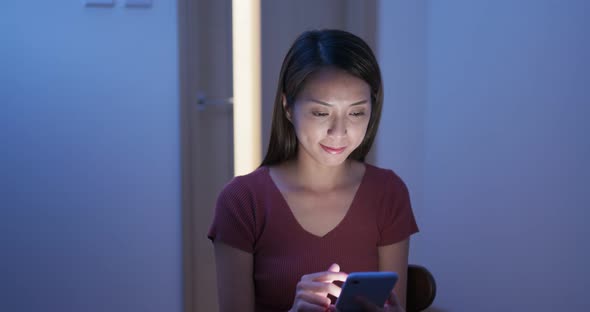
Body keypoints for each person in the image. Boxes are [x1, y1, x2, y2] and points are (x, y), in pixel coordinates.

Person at [208, 29, 419, 312]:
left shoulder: (388, 192)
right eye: (321, 113)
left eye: (356, 113)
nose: (339, 132)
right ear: (287, 107)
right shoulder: (242, 201)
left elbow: (397, 304)